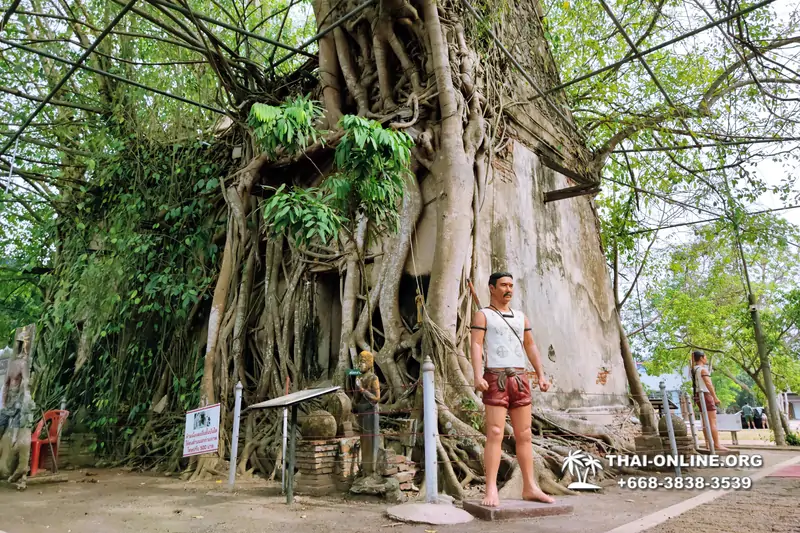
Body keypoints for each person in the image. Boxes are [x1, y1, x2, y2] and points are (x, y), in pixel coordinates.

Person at [470, 272, 552, 507]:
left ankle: (530, 486)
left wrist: (541, 374)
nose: (508, 289)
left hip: (520, 377)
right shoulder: (483, 315)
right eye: (504, 285)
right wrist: (477, 375)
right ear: (492, 288)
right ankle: (491, 489)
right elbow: (476, 344)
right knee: (495, 432)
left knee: (525, 434)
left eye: (511, 286)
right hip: (495, 376)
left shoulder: (520, 317)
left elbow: (530, 345)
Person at [690, 351, 730, 452]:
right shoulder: (703, 370)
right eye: (705, 357)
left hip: (698, 395)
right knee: (712, 421)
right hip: (705, 395)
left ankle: (708, 443)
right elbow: (708, 384)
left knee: (705, 421)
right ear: (702, 358)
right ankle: (716, 444)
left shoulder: (694, 370)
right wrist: (715, 397)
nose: (706, 359)